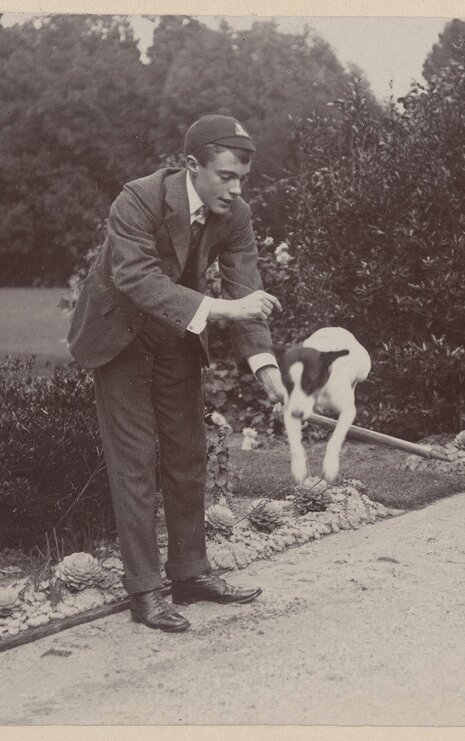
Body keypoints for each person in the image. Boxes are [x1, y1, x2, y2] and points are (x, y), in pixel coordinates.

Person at [67, 114, 286, 633]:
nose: (235, 190)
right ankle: (144, 591)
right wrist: (227, 311)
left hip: (176, 334)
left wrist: (267, 370)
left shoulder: (234, 215)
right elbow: (136, 278)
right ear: (192, 166)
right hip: (118, 335)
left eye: (242, 179)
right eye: (226, 176)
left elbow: (245, 290)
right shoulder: (138, 200)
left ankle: (190, 574)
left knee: (189, 455)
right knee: (136, 463)